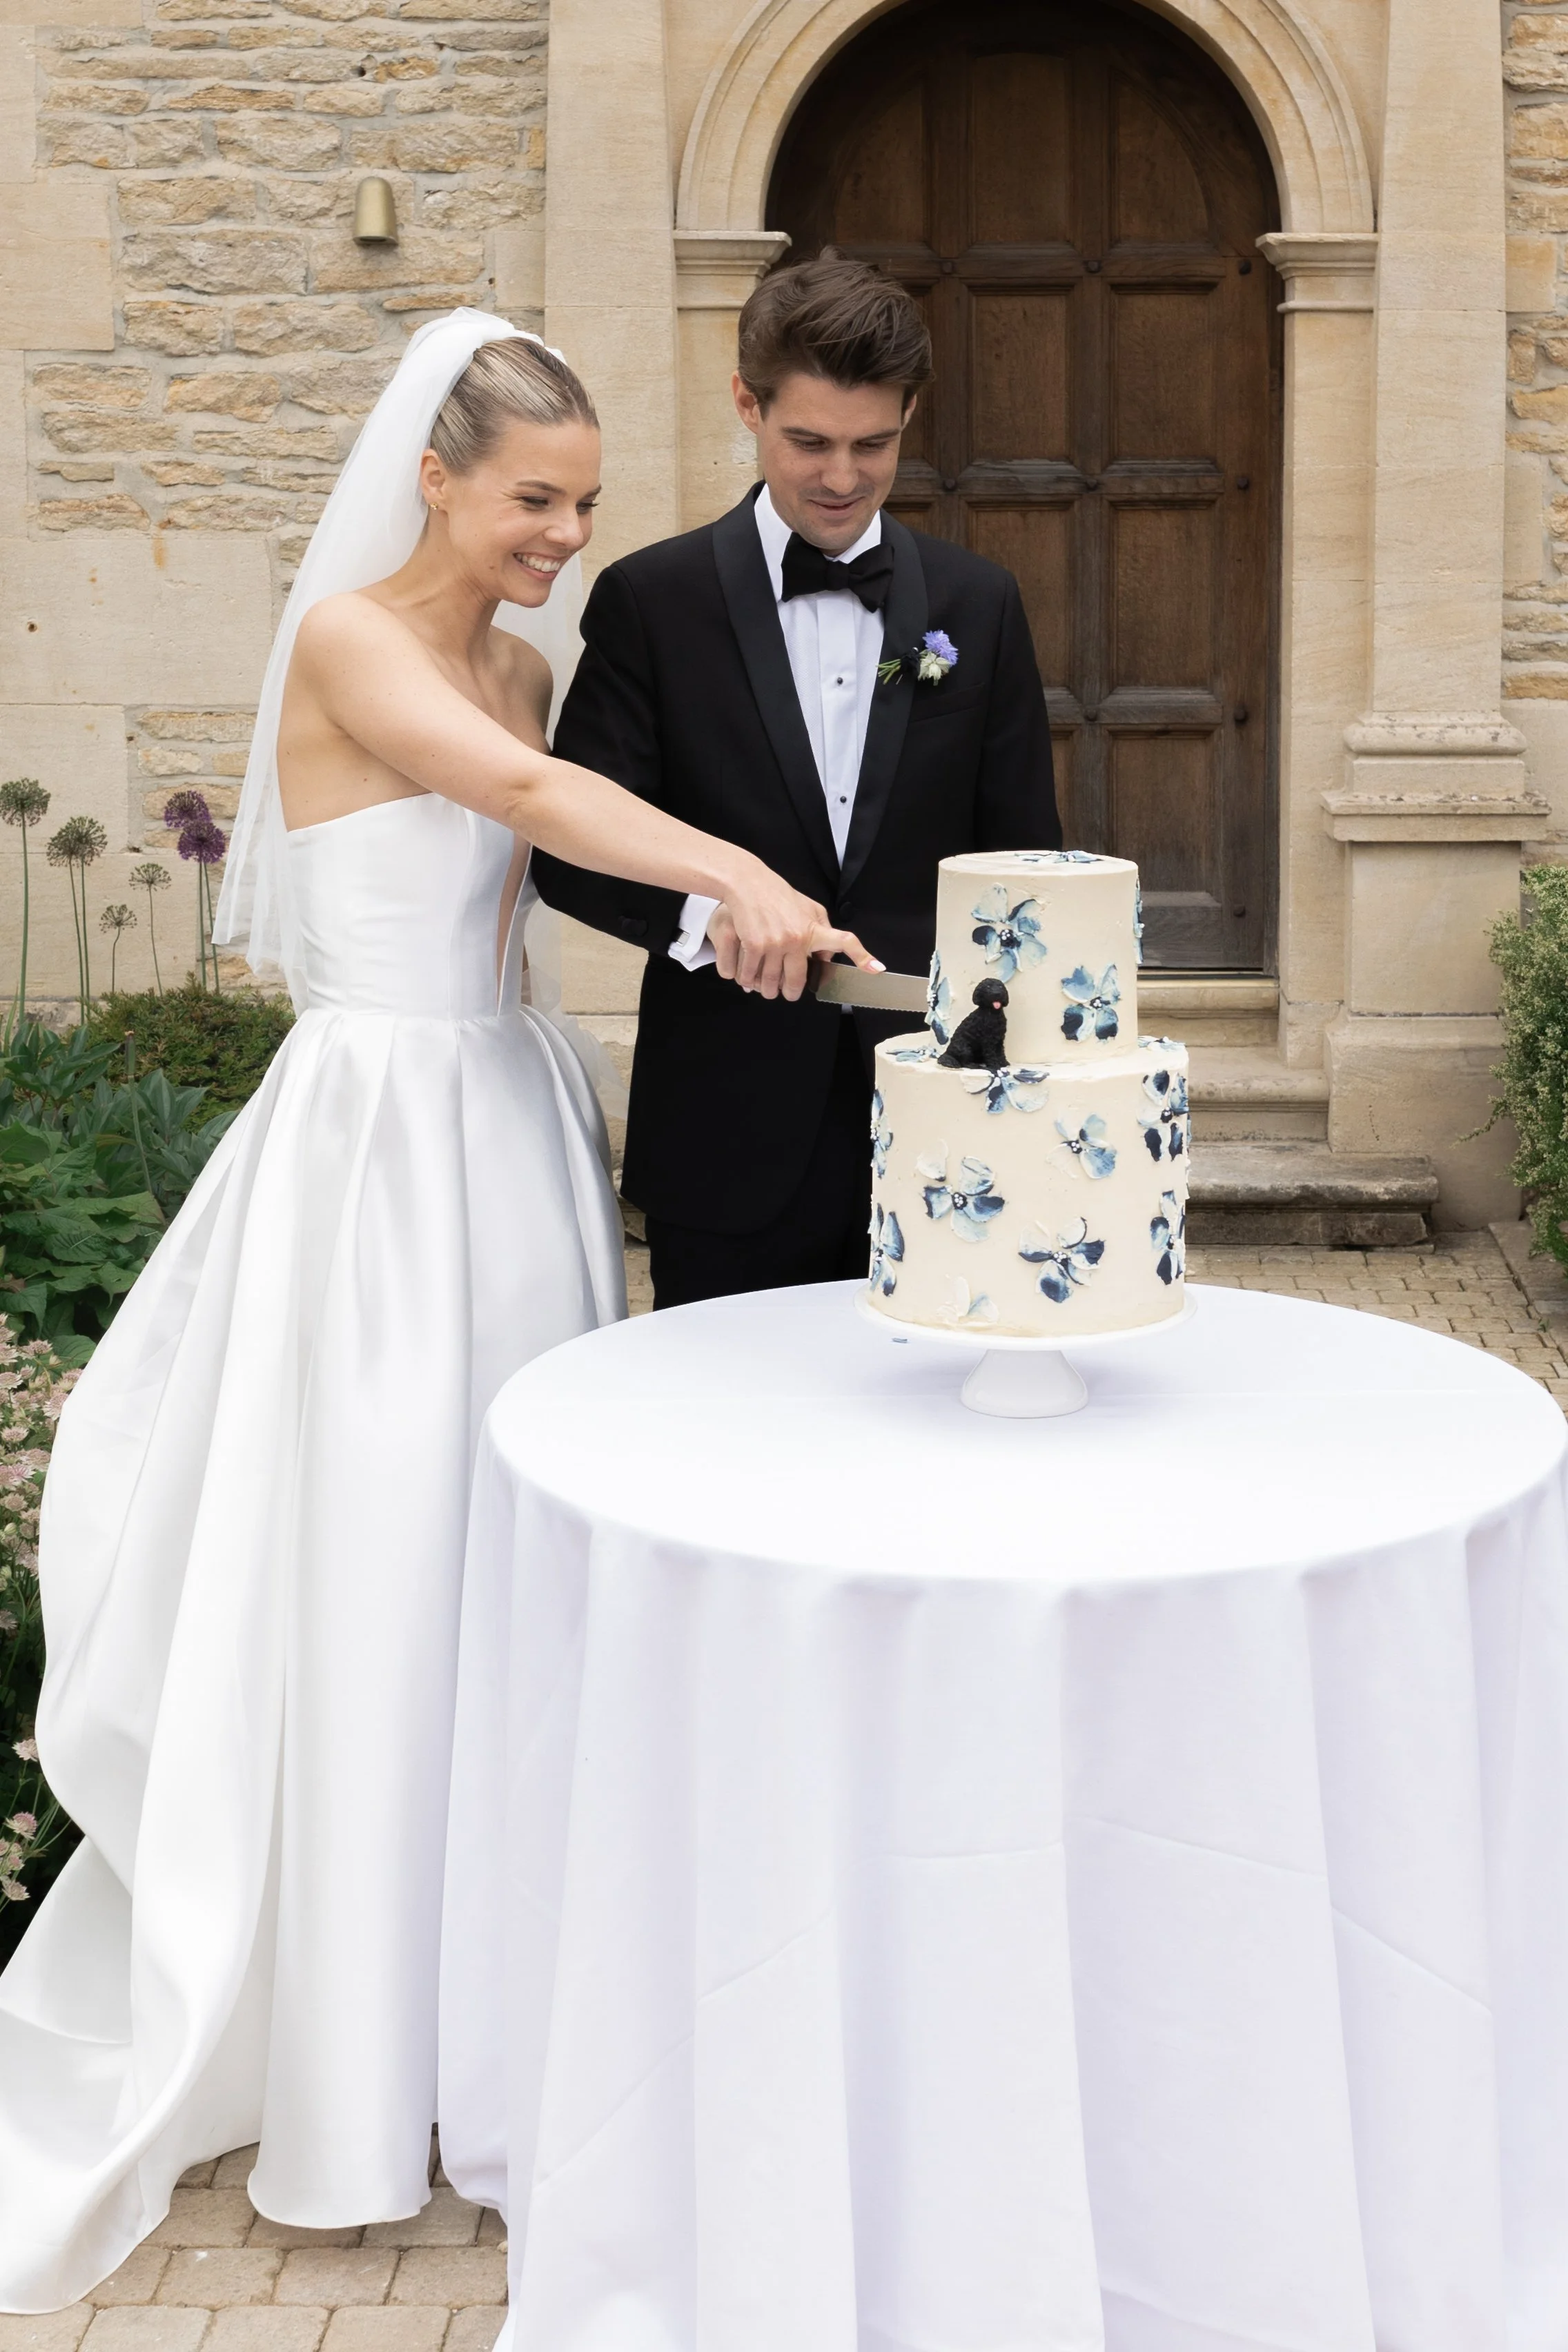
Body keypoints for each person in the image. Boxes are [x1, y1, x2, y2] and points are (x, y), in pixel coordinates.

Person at [0, 309, 877, 2313]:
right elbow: (533, 805)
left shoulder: (530, 656)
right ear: (435, 476)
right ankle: (343, 2072)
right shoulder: (357, 650)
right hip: (382, 1157)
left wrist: (723, 919)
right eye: (531, 501)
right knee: (378, 1575)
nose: (562, 536)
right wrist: (740, 869)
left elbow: (558, 866)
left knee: (503, 1583)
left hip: (514, 1130)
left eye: (583, 503)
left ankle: (492, 2031)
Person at [533, 251, 1061, 1310]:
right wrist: (709, 918)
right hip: (726, 1133)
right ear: (746, 402)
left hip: (941, 1133)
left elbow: (1022, 865)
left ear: (911, 411)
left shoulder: (981, 601)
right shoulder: (652, 600)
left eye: (875, 444)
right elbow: (570, 852)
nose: (841, 477)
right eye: (808, 441)